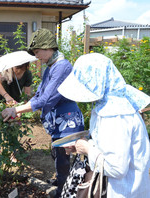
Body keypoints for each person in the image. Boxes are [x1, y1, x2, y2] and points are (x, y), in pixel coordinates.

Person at [1, 28, 84, 198]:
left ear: (48, 48)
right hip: (58, 120)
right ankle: (63, 183)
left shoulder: (62, 67)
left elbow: (46, 100)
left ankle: (64, 191)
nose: (36, 55)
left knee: (62, 158)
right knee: (56, 154)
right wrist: (20, 109)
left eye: (37, 51)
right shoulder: (50, 67)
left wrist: (16, 109)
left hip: (67, 120)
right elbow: (38, 95)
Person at [58, 53, 150, 197]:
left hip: (120, 191)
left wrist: (88, 149)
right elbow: (110, 146)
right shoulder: (115, 104)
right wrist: (80, 145)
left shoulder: (114, 115)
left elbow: (116, 168)